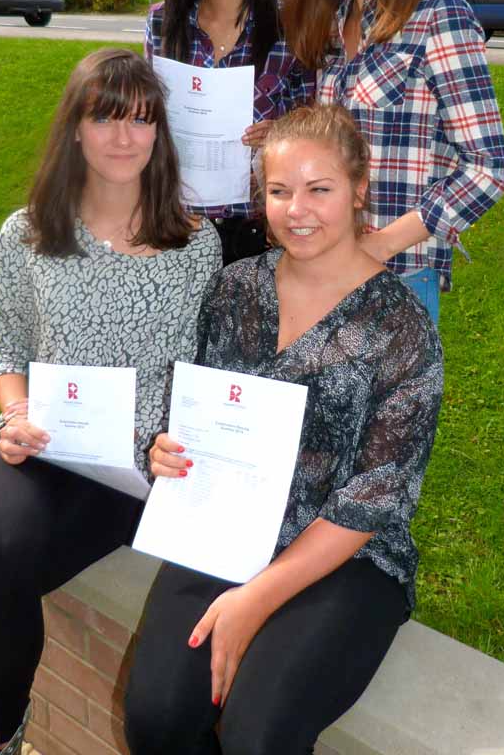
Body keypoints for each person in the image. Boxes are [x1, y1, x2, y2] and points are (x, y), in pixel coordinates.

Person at [0, 49, 221, 755]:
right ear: (75, 129)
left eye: (142, 120)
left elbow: (200, 372)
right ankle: (4, 737)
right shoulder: (26, 235)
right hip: (35, 446)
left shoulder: (196, 245)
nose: (123, 136)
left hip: (127, 472)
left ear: (158, 134)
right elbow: (6, 351)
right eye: (105, 116)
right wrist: (16, 416)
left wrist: (167, 442)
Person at [124, 103, 444, 755]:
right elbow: (189, 404)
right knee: (154, 717)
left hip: (347, 556)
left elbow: (376, 497)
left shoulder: (402, 328)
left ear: (359, 188)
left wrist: (255, 600)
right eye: (279, 191)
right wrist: (161, 446)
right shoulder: (235, 291)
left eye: (319, 189)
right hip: (223, 527)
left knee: (257, 734)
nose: (297, 209)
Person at [281, 0, 504, 322]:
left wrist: (383, 244)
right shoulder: (334, 16)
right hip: (324, 268)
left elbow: (486, 168)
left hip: (397, 276)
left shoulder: (438, 16)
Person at [146, 0, 314, 265]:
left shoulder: (292, 26)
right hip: (178, 228)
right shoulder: (161, 24)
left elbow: (316, 123)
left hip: (264, 236)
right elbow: (147, 120)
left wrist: (283, 134)